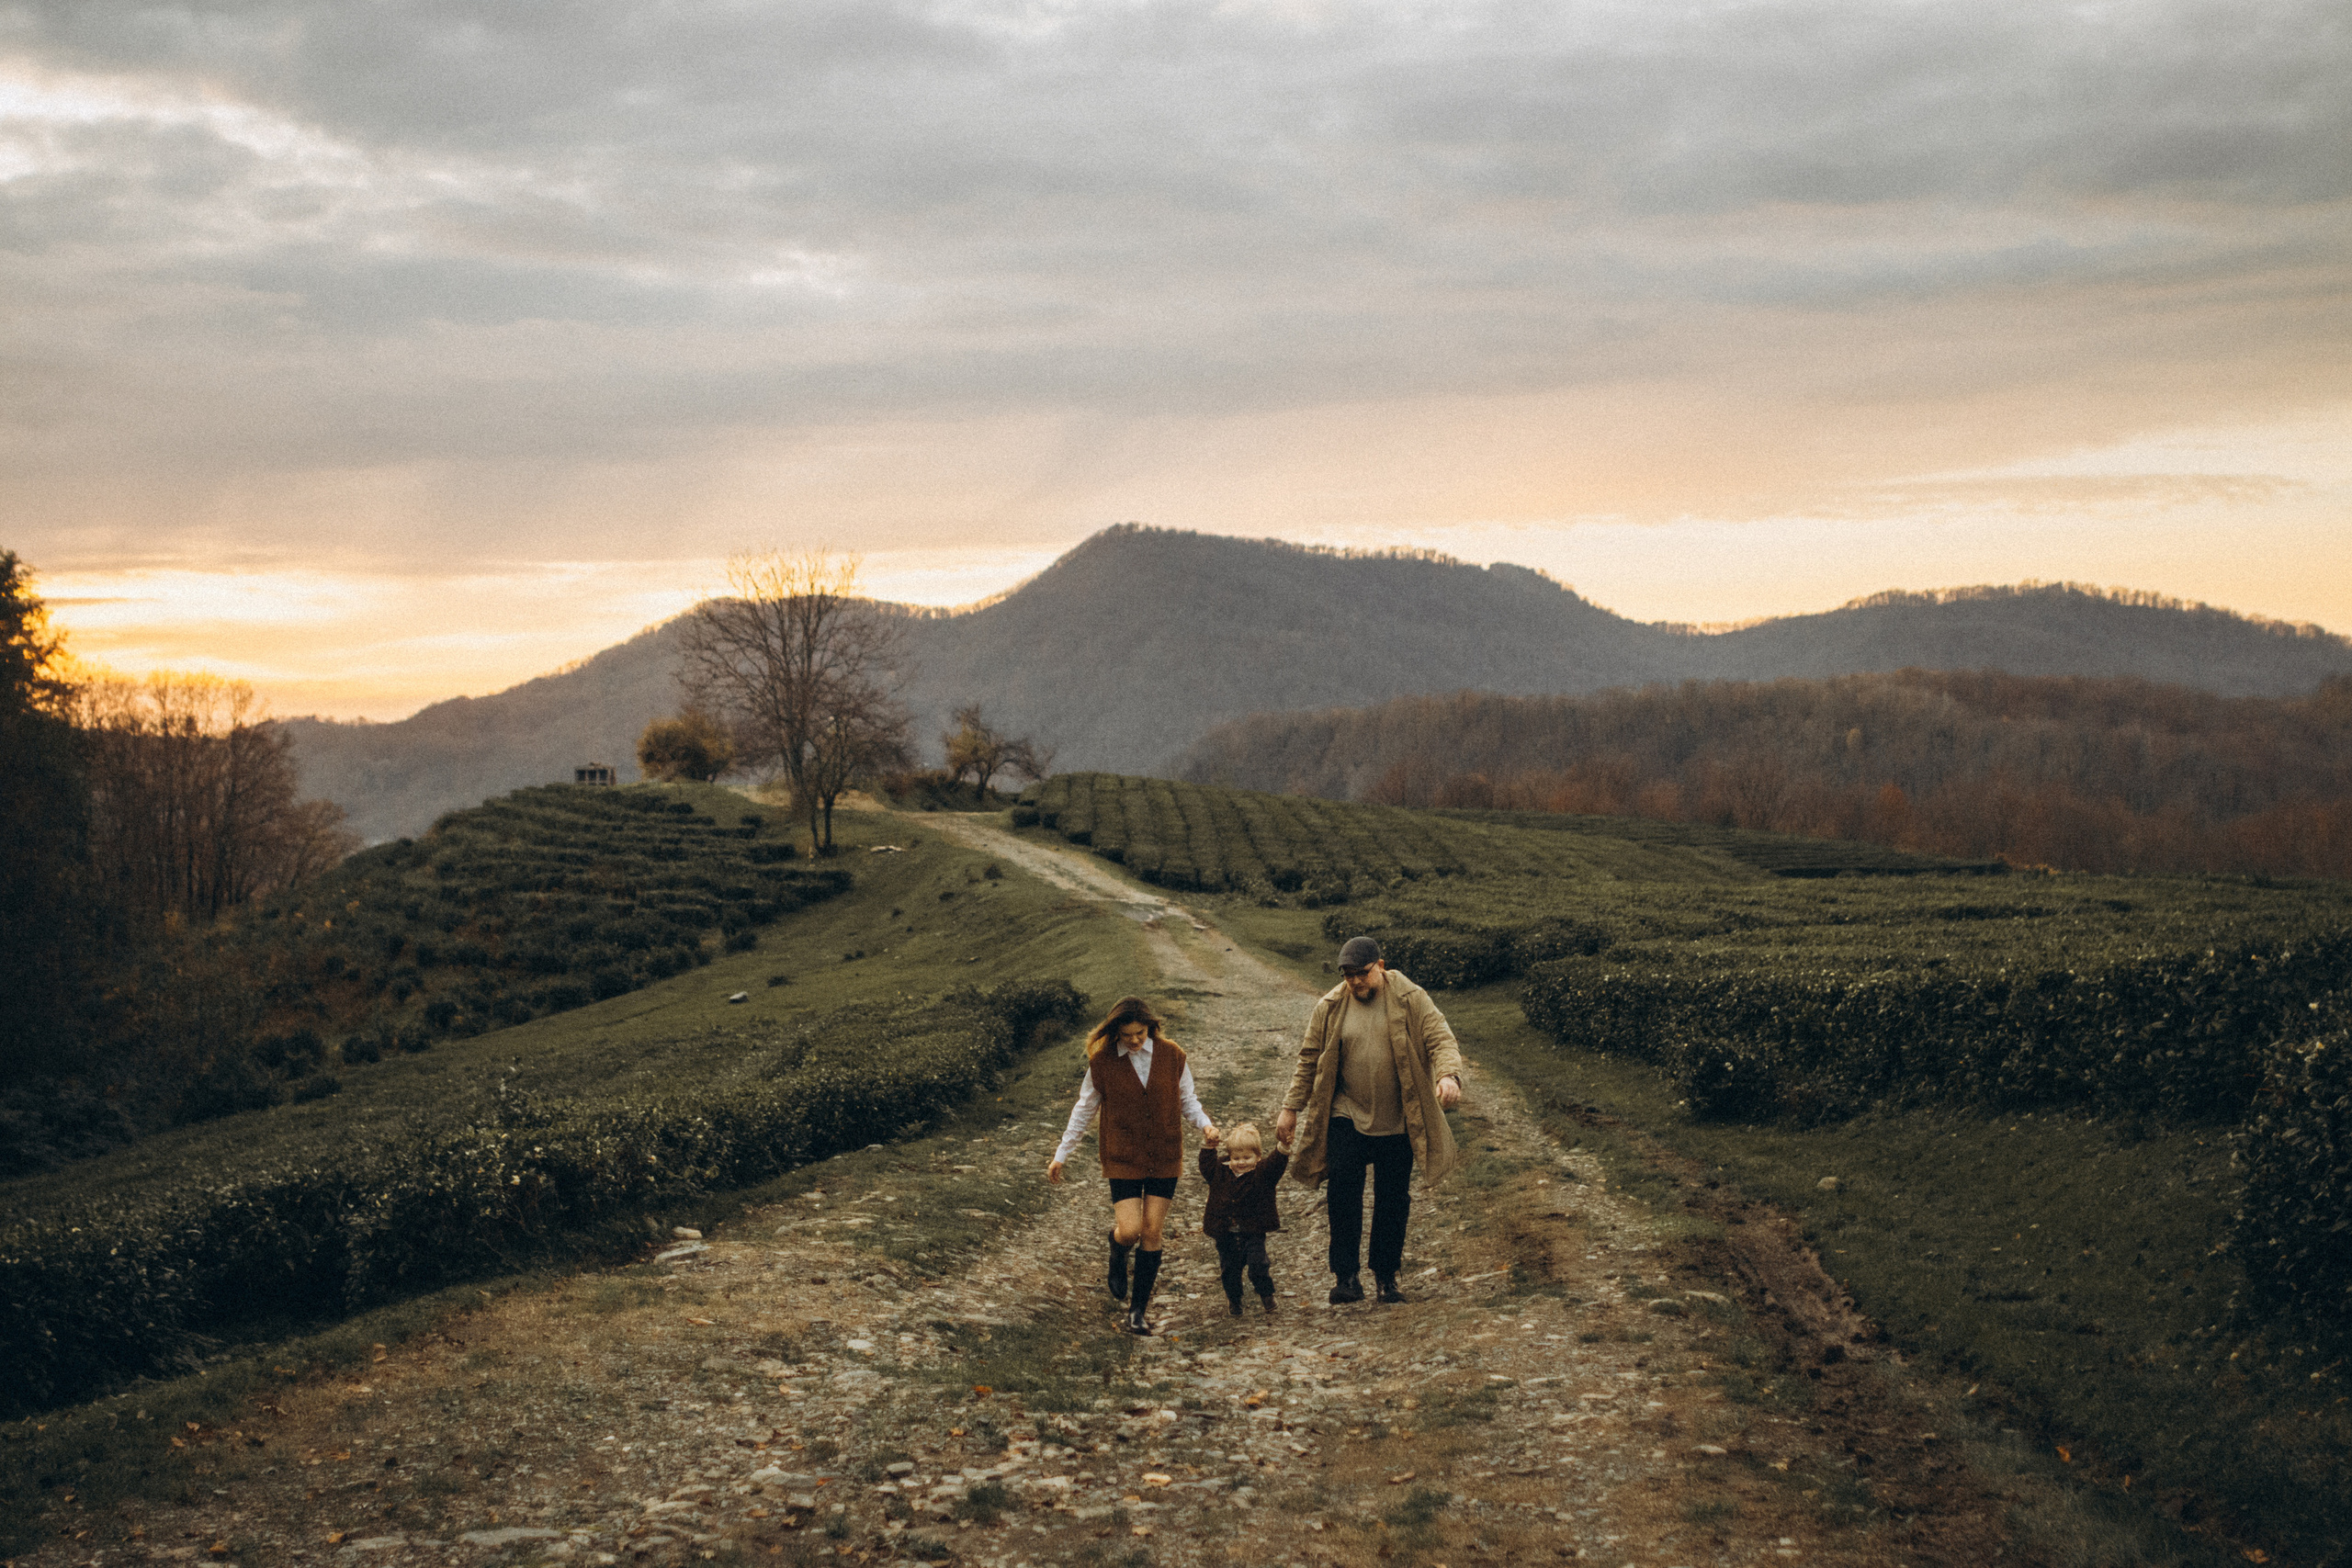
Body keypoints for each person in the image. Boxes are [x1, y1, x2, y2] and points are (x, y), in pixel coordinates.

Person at [1275, 935, 1464, 1304]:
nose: (1356, 982)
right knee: (1343, 1192)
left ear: (1380, 965)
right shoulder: (1330, 1006)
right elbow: (1309, 1058)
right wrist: (1290, 1107)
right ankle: (1345, 1277)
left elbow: (1440, 1038)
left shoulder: (1412, 998)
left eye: (1362, 974)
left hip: (1399, 1117)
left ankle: (1385, 1276)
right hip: (1347, 1113)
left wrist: (1448, 1076)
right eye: (1348, 976)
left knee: (1393, 1198)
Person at [1047, 996, 1218, 1334]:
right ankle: (1117, 1246)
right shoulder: (1102, 1062)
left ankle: (1137, 1312)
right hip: (1122, 1155)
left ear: (1150, 1028)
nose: (1135, 1041)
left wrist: (1206, 1125)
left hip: (1164, 1154)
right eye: (1127, 1035)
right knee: (1130, 1231)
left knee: (1152, 1231)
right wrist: (1061, 1154)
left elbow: (1187, 1100)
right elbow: (1083, 1110)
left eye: (1140, 1033)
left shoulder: (1172, 1055)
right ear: (1116, 1032)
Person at [1198, 1122, 1289, 1316]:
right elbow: (1206, 1166)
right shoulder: (1220, 1172)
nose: (1241, 1162)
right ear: (1229, 1156)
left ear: (1258, 1156)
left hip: (1253, 1233)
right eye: (1236, 1157)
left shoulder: (1262, 1173)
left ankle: (1266, 1295)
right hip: (1225, 1234)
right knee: (1229, 1270)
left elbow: (1276, 1164)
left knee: (1258, 1265)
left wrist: (1283, 1147)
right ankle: (1235, 1300)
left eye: (1247, 1157)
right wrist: (1208, 1146)